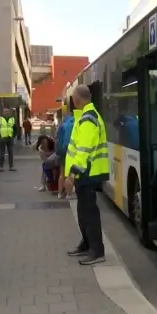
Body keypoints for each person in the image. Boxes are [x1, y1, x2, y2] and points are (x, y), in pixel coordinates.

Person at [64, 85, 109, 266]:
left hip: (88, 173)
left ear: (77, 99)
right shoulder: (84, 117)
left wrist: (71, 175)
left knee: (89, 213)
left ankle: (97, 251)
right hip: (85, 172)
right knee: (83, 212)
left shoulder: (88, 119)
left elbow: (83, 151)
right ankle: (87, 244)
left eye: (73, 98)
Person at [55, 105, 75, 199]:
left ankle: (59, 193)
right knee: (69, 174)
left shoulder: (61, 124)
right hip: (68, 151)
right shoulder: (72, 122)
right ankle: (68, 193)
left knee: (61, 174)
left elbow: (57, 137)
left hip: (60, 151)